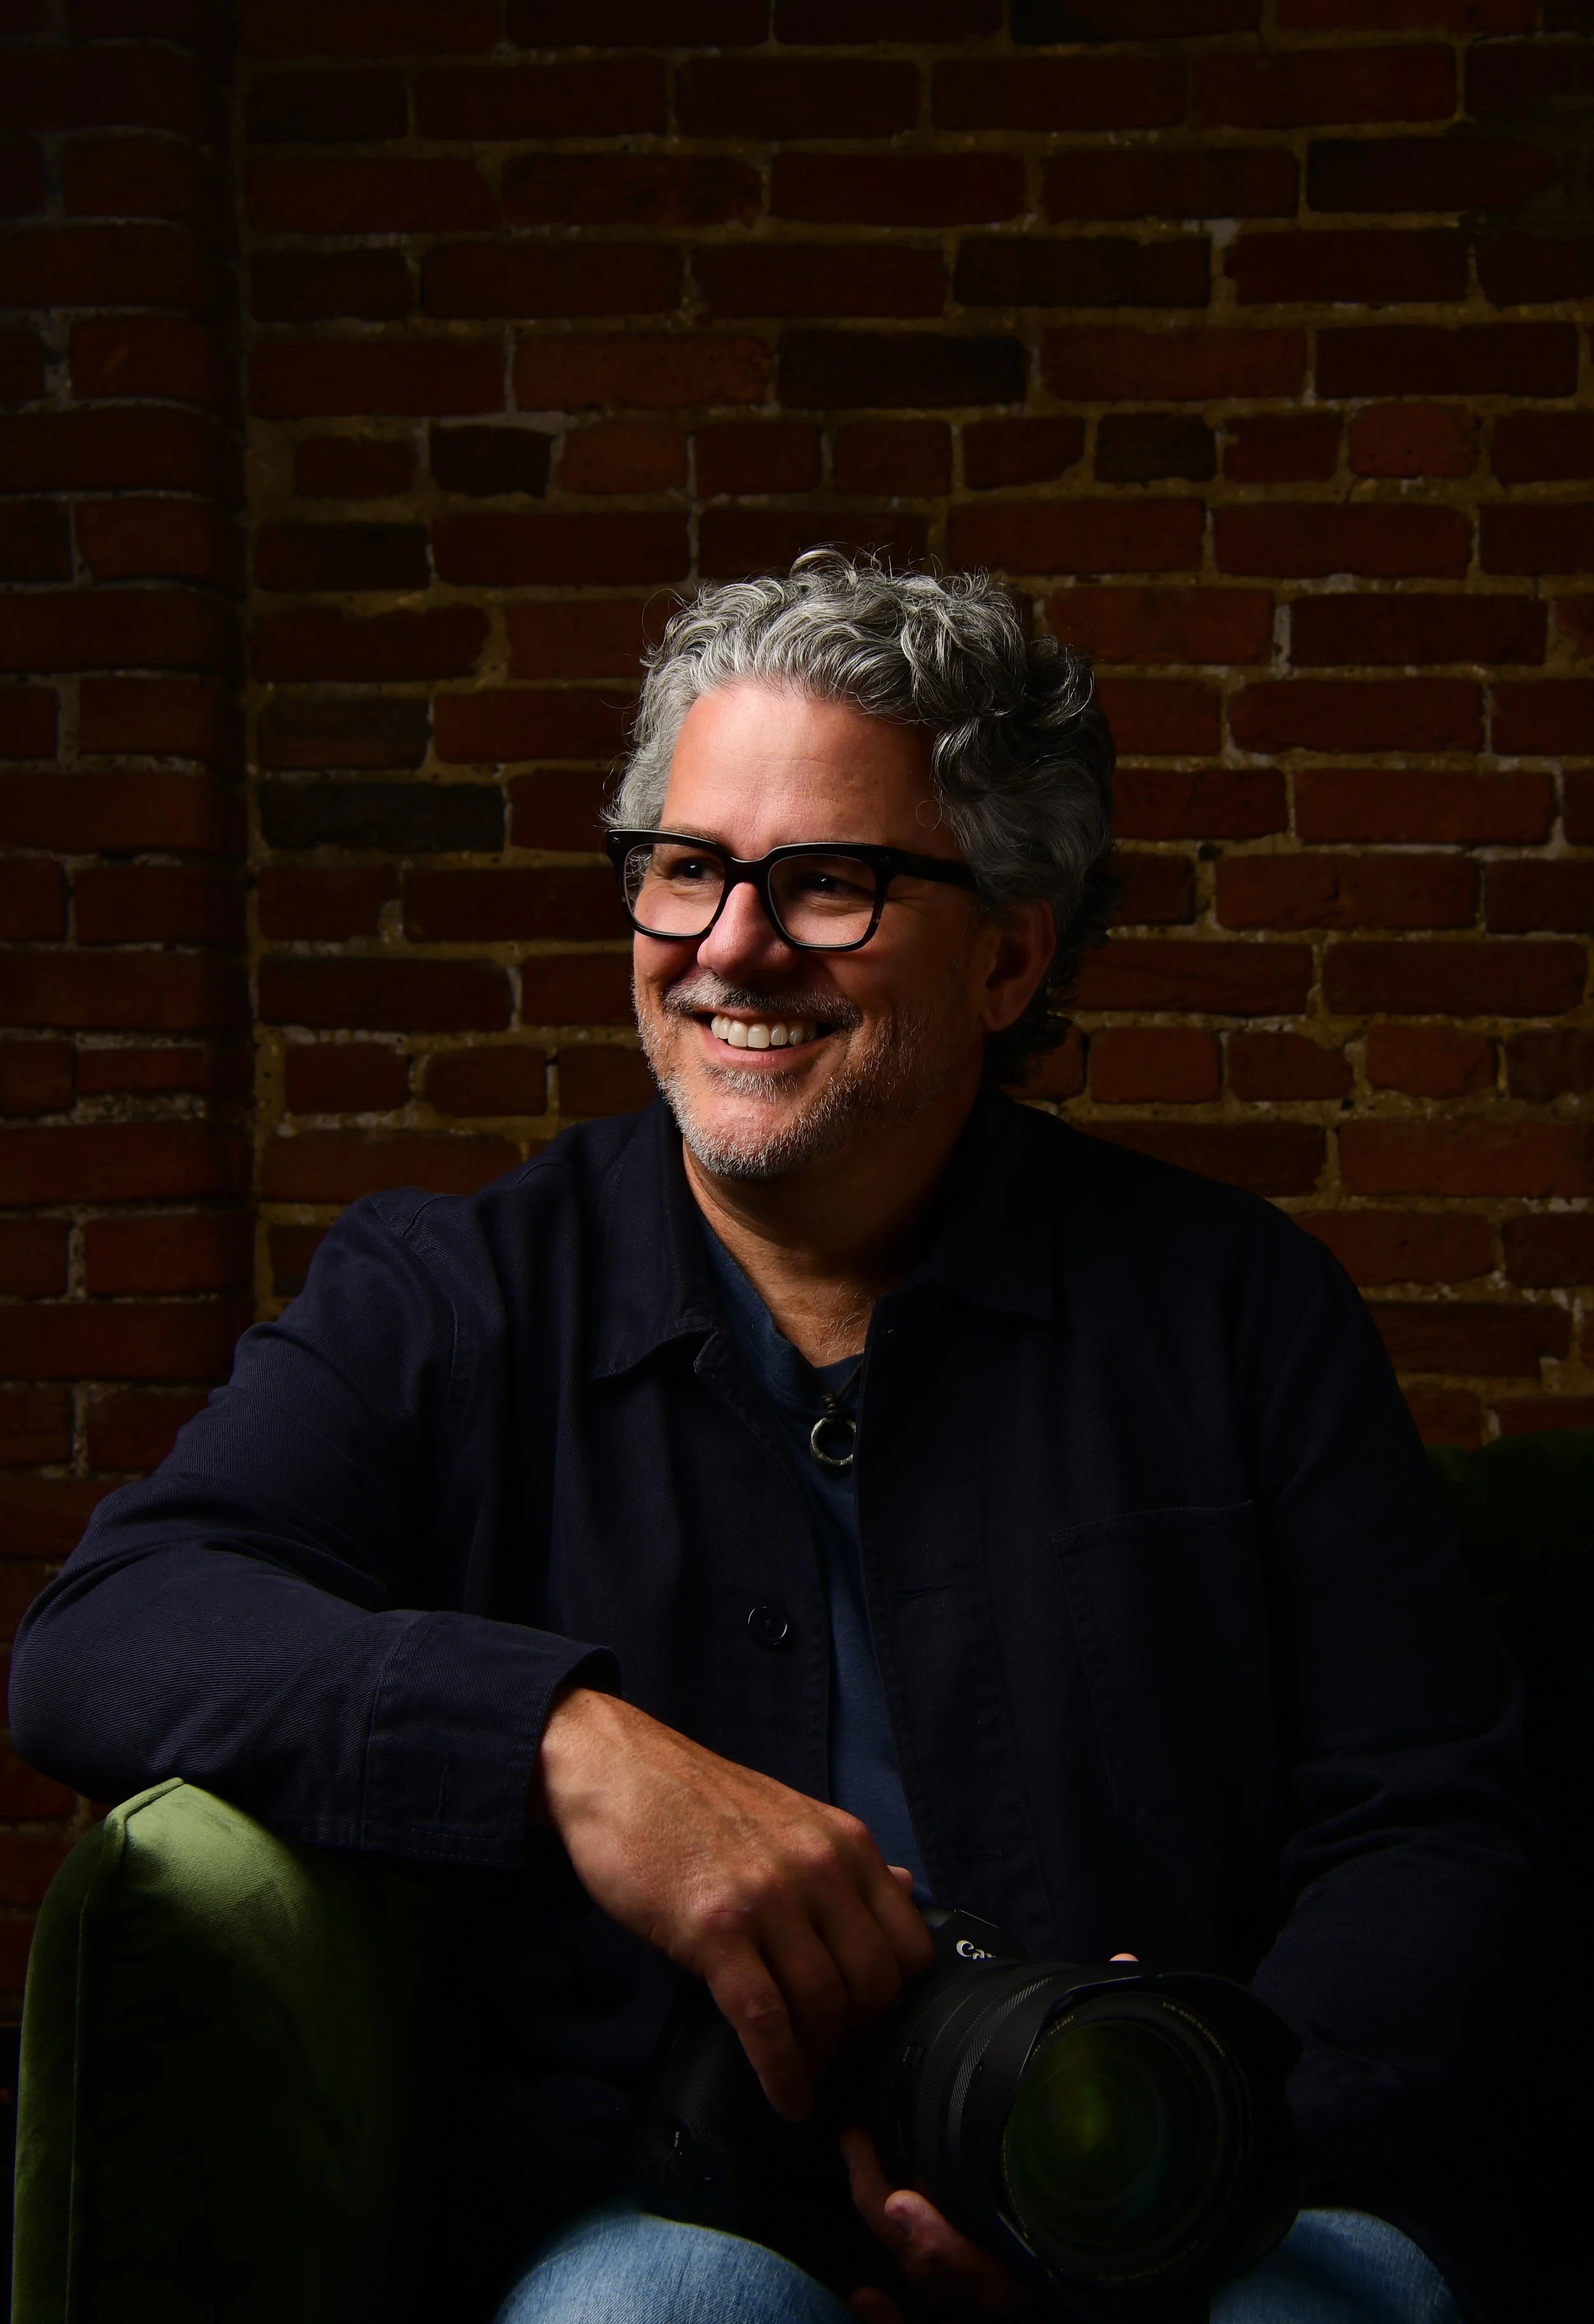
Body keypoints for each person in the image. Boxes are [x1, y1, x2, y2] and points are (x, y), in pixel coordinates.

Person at [11, 558, 1537, 2324]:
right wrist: (571, 1748)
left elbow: (1430, 1828)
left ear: (1009, 951)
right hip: (670, 2215)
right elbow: (105, 1631)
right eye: (684, 865)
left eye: (827, 883)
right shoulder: (452, 1290)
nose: (730, 945)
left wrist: (1158, 2148)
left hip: (1204, 2190)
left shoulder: (1237, 1308)